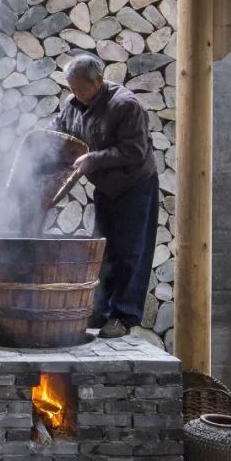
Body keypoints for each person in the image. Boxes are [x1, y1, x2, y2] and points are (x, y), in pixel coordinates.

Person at [55, 54, 159, 338]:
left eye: (80, 88)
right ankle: (99, 310)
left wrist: (94, 160)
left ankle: (123, 317)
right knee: (103, 249)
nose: (75, 93)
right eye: (71, 88)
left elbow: (134, 151)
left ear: (98, 81)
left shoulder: (125, 105)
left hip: (135, 186)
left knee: (130, 252)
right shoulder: (72, 105)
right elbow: (61, 135)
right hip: (106, 187)